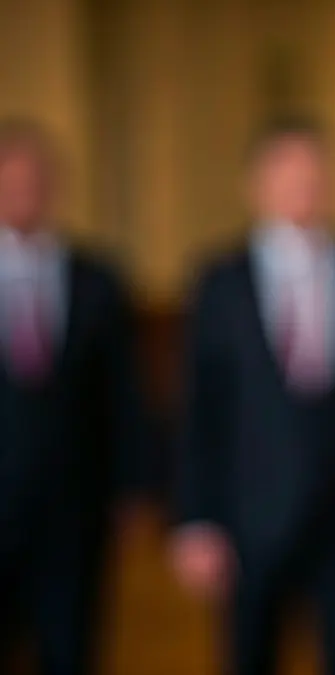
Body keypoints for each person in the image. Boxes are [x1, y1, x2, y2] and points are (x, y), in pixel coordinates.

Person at [171, 117, 335, 675]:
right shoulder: (219, 282)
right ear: (256, 185)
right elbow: (200, 409)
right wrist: (196, 519)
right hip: (249, 517)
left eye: (314, 175)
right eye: (287, 175)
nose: (302, 188)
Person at [0, 117, 146, 674]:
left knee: (70, 650)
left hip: (73, 511)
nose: (25, 191)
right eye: (11, 180)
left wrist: (132, 486)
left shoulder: (97, 280)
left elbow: (123, 393)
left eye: (36, 179)